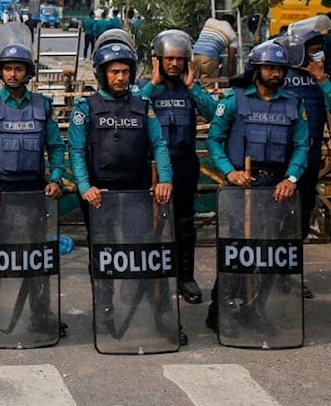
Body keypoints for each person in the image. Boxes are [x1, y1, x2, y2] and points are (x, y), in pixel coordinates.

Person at [67, 43, 178, 341]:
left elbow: (159, 145)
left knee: (147, 256)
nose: (120, 77)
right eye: (114, 72)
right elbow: (76, 152)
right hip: (99, 197)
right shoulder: (85, 109)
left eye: (125, 72)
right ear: (103, 74)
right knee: (103, 257)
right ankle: (104, 316)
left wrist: (165, 179)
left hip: (138, 193)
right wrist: (85, 187)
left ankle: (160, 316)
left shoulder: (143, 106)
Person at [204, 39, 309, 334]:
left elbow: (301, 146)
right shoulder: (234, 100)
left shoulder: (293, 103)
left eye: (279, 69)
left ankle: (255, 308)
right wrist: (229, 173)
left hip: (276, 190)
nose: (275, 73)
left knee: (270, 253)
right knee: (236, 250)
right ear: (256, 68)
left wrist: (291, 179)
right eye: (269, 68)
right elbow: (214, 140)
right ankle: (220, 309)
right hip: (241, 187)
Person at [0, 43, 66, 340]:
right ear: (0, 71)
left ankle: (40, 314)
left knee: (36, 257)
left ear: (28, 72)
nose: (12, 74)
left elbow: (56, 147)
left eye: (18, 68)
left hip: (34, 196)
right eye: (8, 68)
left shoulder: (42, 105)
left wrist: (57, 178)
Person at [139, 30, 218, 305]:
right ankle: (154, 277)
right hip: (150, 168)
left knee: (184, 223)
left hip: (184, 163)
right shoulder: (144, 88)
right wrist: (152, 84)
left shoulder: (191, 87)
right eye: (168, 58)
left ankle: (185, 277)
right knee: (150, 224)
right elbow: (131, 110)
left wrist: (194, 87)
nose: (174, 64)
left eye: (179, 59)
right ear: (158, 60)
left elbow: (215, 114)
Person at [279, 25, 331, 299]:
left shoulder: (323, 78)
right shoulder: (280, 73)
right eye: (312, 50)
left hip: (310, 153)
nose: (317, 55)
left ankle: (291, 274)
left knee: (302, 213)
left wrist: (322, 80)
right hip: (280, 153)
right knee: (275, 214)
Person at [193, 16, 239, 81]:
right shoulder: (232, 35)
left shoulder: (210, 21)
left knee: (194, 84)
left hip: (195, 54)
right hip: (210, 57)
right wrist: (231, 80)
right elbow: (230, 61)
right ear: (233, 25)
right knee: (208, 86)